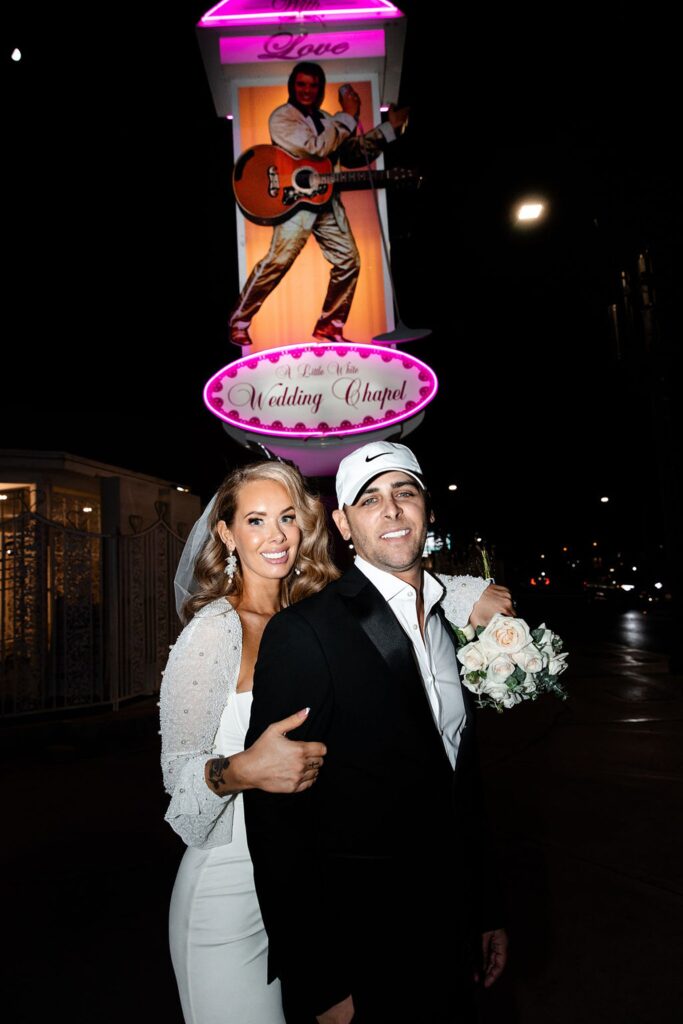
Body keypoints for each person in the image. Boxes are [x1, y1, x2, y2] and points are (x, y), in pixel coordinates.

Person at [244, 441, 512, 1024]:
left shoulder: (453, 625)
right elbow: (276, 824)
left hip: (455, 928)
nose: (391, 512)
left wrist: (486, 907)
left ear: (428, 509)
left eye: (405, 493)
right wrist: (318, 983)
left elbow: (461, 782)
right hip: (363, 948)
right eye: (369, 500)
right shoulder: (304, 632)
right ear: (342, 523)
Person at [160, 461, 340, 1024]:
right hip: (227, 896)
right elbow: (179, 789)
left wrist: (466, 597)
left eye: (288, 518)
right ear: (226, 533)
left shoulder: (312, 618)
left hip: (305, 889)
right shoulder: (213, 631)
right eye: (256, 520)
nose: (277, 536)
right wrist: (244, 769)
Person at [229, 61, 409, 347]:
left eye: (313, 85)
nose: (307, 91)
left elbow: (351, 155)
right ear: (292, 86)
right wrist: (348, 117)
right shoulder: (282, 118)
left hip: (326, 200)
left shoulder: (328, 120)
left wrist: (389, 129)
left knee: (349, 261)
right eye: (301, 84)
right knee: (278, 261)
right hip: (293, 201)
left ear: (320, 89)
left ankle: (330, 325)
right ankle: (239, 319)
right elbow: (315, 148)